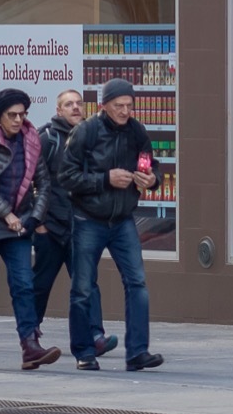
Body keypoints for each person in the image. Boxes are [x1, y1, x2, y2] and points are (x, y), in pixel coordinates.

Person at [62, 78, 164, 372]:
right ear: (103, 106)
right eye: (118, 106)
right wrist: (104, 179)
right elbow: (66, 176)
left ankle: (137, 352)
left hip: (122, 220)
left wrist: (151, 179)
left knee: (137, 283)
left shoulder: (137, 131)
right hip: (88, 219)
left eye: (129, 106)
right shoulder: (87, 131)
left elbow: (151, 164)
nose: (124, 111)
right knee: (82, 287)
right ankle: (84, 351)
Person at [0, 87, 61, 372]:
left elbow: (43, 183)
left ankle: (30, 347)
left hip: (18, 226)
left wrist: (34, 217)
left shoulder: (31, 139)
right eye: (12, 115)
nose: (18, 120)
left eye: (23, 114)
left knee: (24, 287)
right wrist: (7, 215)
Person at [34, 89, 117, 358]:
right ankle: (30, 332)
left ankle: (95, 336)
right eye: (68, 104)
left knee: (87, 283)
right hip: (50, 226)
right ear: (59, 111)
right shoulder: (46, 138)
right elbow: (31, 181)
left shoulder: (91, 138)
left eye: (79, 103)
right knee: (41, 283)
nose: (75, 108)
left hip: (81, 226)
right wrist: (39, 223)